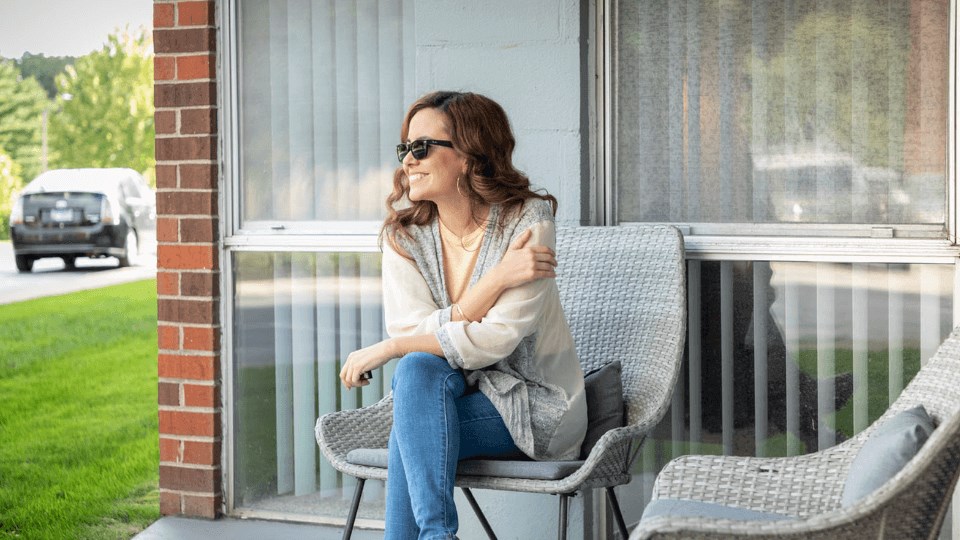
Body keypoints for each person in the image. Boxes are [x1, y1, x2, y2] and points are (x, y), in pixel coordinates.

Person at [338, 91, 587, 539]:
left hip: (534, 405)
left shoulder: (526, 221)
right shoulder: (406, 237)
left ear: (470, 156)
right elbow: (411, 332)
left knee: (408, 432)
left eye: (422, 147)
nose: (408, 162)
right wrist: (493, 281)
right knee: (417, 369)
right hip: (446, 395)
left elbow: (496, 339)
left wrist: (393, 347)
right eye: (405, 149)